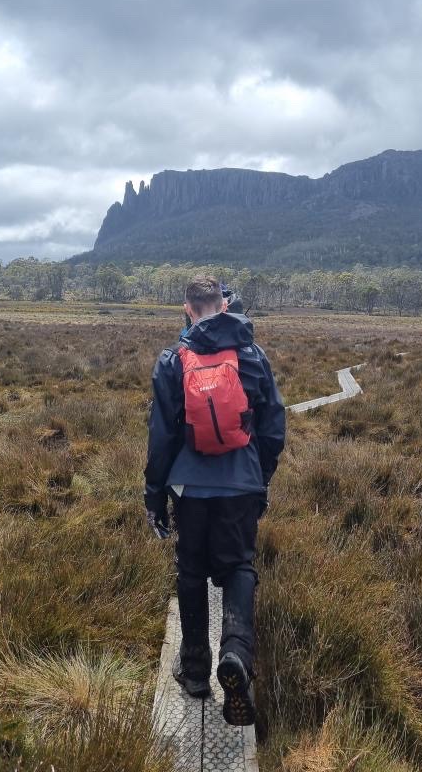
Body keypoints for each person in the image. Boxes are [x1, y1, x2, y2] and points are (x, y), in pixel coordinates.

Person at [144, 275, 285, 726]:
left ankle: (196, 671)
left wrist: (154, 493)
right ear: (224, 305)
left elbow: (161, 437)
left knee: (190, 571)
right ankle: (237, 655)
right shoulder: (251, 356)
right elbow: (272, 426)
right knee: (239, 566)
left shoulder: (172, 360)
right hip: (240, 484)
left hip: (189, 488)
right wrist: (258, 478)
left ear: (187, 307)